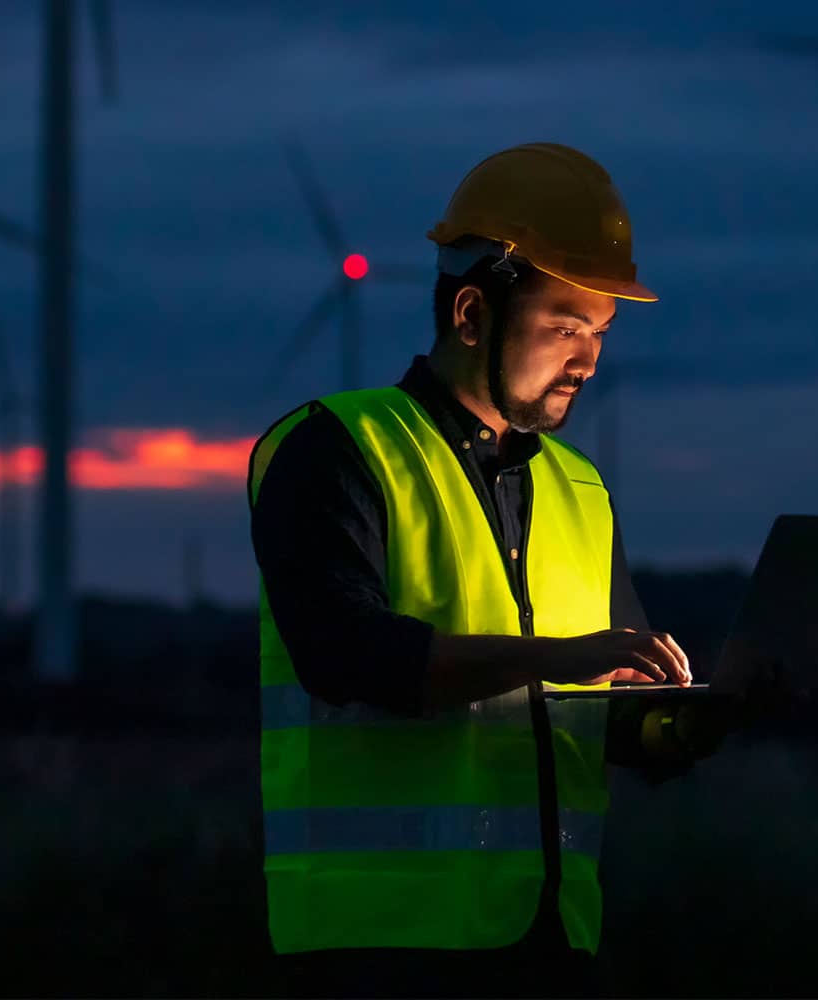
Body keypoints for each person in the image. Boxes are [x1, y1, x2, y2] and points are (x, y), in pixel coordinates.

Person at [248, 142, 734, 998]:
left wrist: (697, 719)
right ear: (471, 314)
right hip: (376, 951)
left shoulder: (579, 489)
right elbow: (347, 656)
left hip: (546, 944)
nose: (588, 360)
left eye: (600, 332)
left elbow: (614, 721)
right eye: (565, 325)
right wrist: (560, 656)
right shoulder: (335, 450)